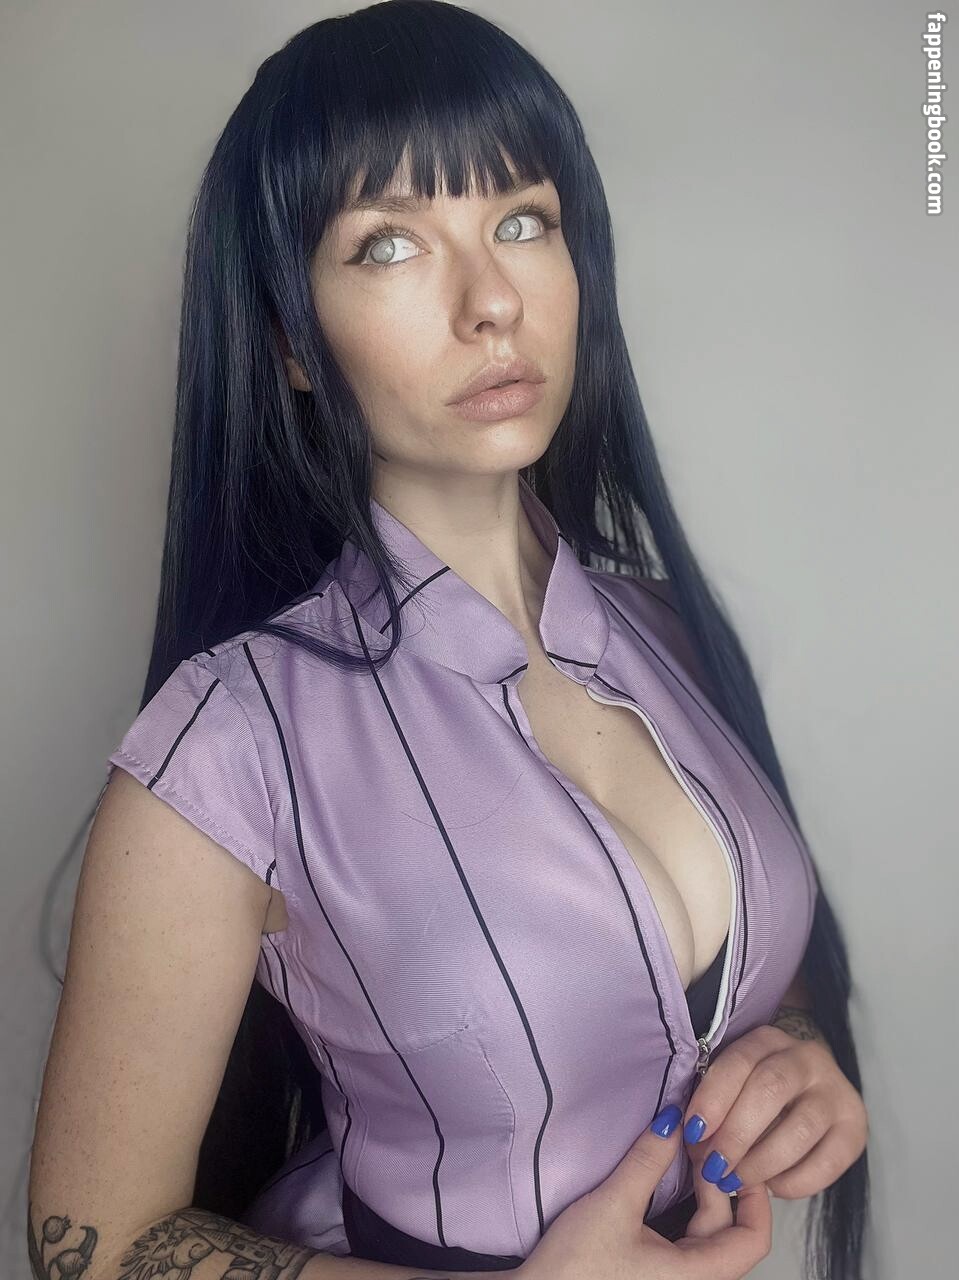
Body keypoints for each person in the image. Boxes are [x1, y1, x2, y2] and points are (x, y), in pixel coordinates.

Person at [27, 3, 869, 1278]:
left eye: (521, 222)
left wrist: (795, 1048)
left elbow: (727, 963)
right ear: (288, 342)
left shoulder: (666, 631)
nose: (492, 302)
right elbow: (90, 1246)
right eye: (388, 245)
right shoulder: (226, 743)